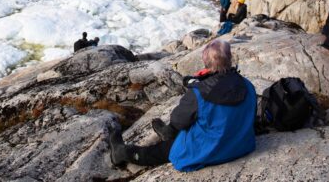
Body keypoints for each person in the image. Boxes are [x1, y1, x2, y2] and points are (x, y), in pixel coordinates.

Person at [108, 40, 256, 172]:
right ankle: (168, 133)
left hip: (211, 151)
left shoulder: (199, 93)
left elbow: (179, 120)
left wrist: (198, 86)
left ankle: (122, 153)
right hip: (240, 146)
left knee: (163, 150)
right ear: (229, 59)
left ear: (205, 64)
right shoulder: (248, 85)